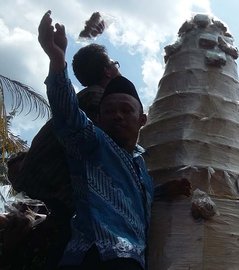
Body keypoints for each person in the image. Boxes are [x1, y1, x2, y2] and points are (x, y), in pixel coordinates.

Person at [38, 10, 153, 270]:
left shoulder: (142, 167)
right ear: (98, 119)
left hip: (135, 260)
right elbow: (68, 114)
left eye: (126, 111)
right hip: (97, 255)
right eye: (110, 111)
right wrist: (57, 61)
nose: (118, 117)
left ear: (142, 120)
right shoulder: (94, 142)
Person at [8, 42, 121, 269]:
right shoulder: (98, 101)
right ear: (108, 71)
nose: (120, 117)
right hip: (55, 206)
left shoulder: (84, 101)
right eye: (113, 63)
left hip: (38, 202)